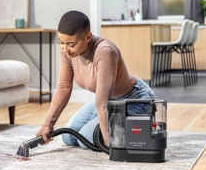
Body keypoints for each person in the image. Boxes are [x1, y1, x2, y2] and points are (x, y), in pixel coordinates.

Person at [36, 10, 155, 149]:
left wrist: (108, 140)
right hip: (108, 100)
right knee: (68, 137)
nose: (65, 49)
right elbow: (64, 87)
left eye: (71, 44)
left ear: (88, 37)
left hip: (133, 98)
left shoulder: (105, 51)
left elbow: (102, 99)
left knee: (85, 139)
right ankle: (115, 126)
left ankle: (141, 124)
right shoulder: (67, 52)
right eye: (61, 42)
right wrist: (47, 125)